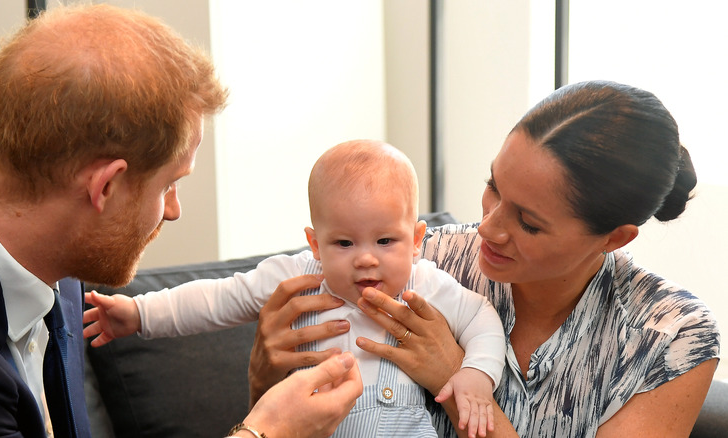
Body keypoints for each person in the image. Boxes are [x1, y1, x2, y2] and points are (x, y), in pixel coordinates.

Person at [0, 4, 361, 438]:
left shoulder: (60, 272)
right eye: (168, 185)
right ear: (105, 187)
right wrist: (266, 432)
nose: (173, 210)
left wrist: (262, 395)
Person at [246, 81, 721, 437]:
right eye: (493, 186)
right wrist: (265, 373)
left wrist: (455, 376)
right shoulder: (414, 259)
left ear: (614, 238)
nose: (488, 227)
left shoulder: (671, 339)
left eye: (528, 222)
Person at [83, 139, 506, 438]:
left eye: (385, 241)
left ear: (416, 240)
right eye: (343, 243)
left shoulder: (425, 282)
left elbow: (482, 318)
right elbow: (217, 298)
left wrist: (475, 375)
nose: (365, 258)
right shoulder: (295, 277)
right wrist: (139, 314)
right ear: (314, 243)